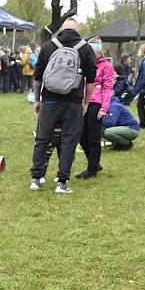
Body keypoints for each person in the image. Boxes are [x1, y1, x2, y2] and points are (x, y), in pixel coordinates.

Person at [29, 18, 97, 194]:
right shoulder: (85, 48)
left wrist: (38, 100)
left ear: (62, 29)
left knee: (42, 139)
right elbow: (90, 80)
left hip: (50, 101)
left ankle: (36, 179)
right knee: (68, 142)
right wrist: (86, 102)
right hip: (73, 102)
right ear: (77, 30)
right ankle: (62, 183)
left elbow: (38, 77)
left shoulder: (47, 46)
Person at [75, 37, 114, 180]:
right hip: (82, 102)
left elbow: (108, 88)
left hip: (96, 103)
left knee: (93, 137)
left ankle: (92, 169)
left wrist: (104, 108)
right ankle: (94, 163)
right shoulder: (83, 64)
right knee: (81, 135)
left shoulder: (106, 66)